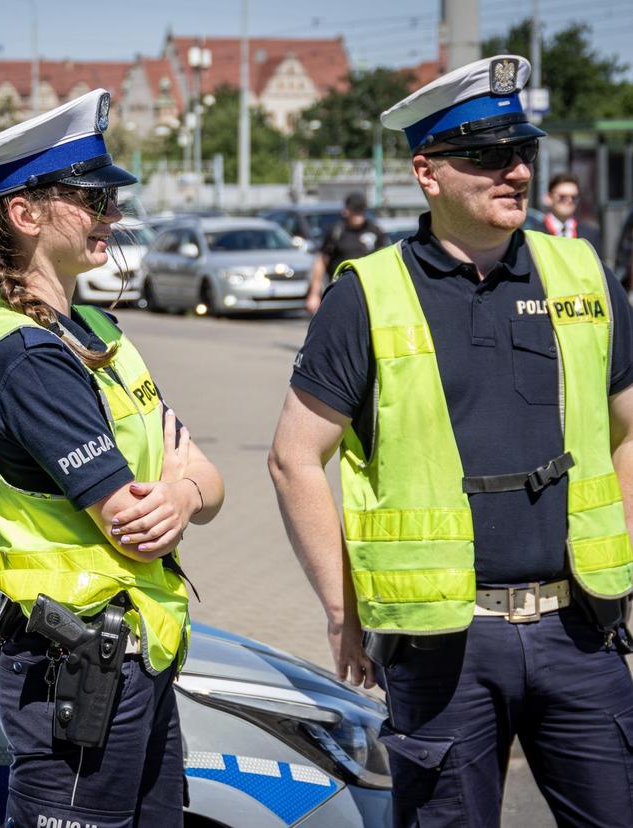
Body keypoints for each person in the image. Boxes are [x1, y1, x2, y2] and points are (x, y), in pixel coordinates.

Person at [269, 55, 633, 827]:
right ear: (427, 172)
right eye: (488, 156)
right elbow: (293, 456)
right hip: (443, 647)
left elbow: (628, 428)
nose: (515, 171)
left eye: (523, 152)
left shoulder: (582, 274)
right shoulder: (366, 294)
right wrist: (343, 613)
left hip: (581, 634)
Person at [0, 88, 224, 827]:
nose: (112, 216)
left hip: (133, 656)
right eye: (91, 199)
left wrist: (185, 494)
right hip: (74, 667)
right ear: (25, 214)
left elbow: (207, 478)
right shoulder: (28, 357)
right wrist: (173, 491)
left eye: (109, 199)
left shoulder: (96, 330)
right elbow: (134, 523)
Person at [304, 192, 390, 315]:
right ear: (346, 211)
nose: (358, 215)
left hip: (368, 291)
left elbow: (384, 261)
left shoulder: (374, 230)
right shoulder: (337, 231)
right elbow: (321, 261)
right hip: (340, 290)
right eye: (355, 211)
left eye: (361, 211)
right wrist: (314, 294)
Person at [542, 171, 602, 255]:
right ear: (548, 198)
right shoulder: (534, 233)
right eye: (562, 197)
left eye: (573, 197)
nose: (569, 201)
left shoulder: (591, 235)